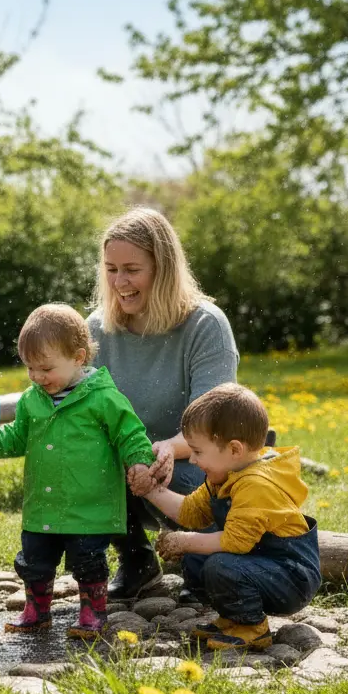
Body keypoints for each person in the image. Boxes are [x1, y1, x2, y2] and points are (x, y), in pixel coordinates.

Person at [0, 304, 155, 638]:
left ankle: (93, 612)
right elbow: (18, 436)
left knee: (88, 562)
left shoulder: (104, 398)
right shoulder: (32, 400)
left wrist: (138, 461)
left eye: (45, 368)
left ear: (79, 358)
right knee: (34, 561)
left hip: (89, 505)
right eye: (30, 368)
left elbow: (130, 433)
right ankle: (37, 610)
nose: (36, 376)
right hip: (43, 505)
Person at [88, 207, 239, 601]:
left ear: (163, 268)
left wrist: (168, 448)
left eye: (132, 269)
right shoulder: (95, 330)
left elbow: (217, 425)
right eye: (111, 269)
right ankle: (135, 559)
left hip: (194, 463)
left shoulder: (205, 326)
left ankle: (201, 562)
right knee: (81, 456)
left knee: (210, 576)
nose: (120, 282)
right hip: (121, 465)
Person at [143, 384, 320, 650]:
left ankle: (252, 628)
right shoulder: (226, 475)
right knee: (200, 557)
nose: (191, 459)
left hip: (291, 577)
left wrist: (182, 541)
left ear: (235, 449)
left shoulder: (255, 484)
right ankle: (233, 618)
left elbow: (235, 543)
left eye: (198, 451)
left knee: (220, 564)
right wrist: (150, 491)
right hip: (261, 564)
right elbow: (190, 512)